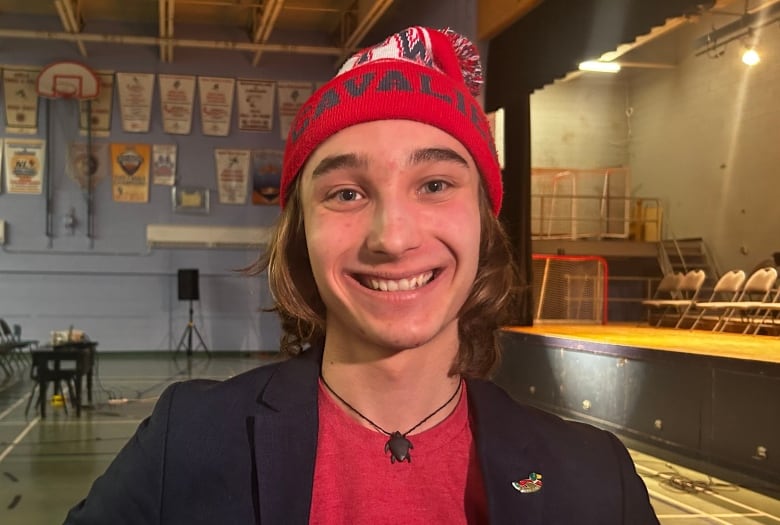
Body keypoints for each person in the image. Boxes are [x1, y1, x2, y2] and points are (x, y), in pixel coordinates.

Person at [65, 26, 659, 524]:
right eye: (346, 193)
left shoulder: (596, 479)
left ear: (483, 222)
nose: (393, 237)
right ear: (301, 234)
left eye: (434, 185)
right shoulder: (187, 443)